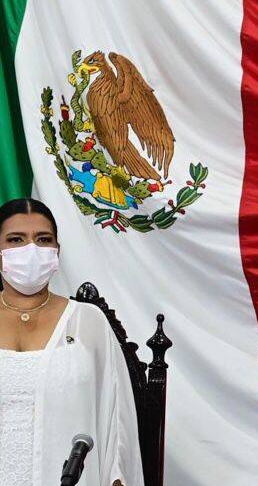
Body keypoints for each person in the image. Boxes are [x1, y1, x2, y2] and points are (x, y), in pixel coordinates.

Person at [0, 198, 144, 486]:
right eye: (16, 239)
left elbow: (117, 424)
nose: (31, 249)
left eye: (43, 239)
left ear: (57, 252)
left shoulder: (89, 321)